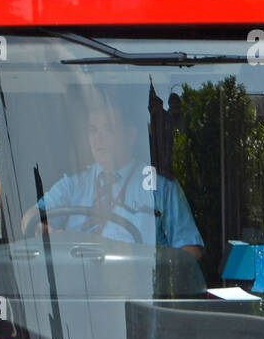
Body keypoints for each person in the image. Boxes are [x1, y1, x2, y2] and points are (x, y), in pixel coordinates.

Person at [22, 95, 203, 258]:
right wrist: (42, 229)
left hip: (141, 288)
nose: (98, 139)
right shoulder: (74, 183)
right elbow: (29, 217)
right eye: (93, 130)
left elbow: (191, 251)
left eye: (108, 129)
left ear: (130, 135)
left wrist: (147, 259)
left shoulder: (159, 187)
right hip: (78, 290)